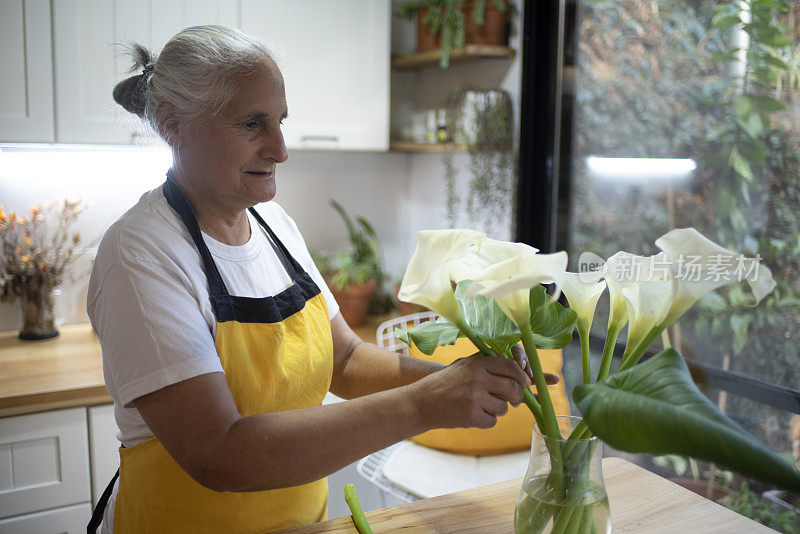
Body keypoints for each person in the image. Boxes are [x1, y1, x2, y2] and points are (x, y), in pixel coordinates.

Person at [87, 25, 538, 533]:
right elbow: (219, 452)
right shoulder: (140, 252)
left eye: (281, 120)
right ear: (173, 124)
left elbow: (343, 360)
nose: (280, 148)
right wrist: (426, 404)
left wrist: (460, 381)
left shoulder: (274, 225)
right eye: (253, 125)